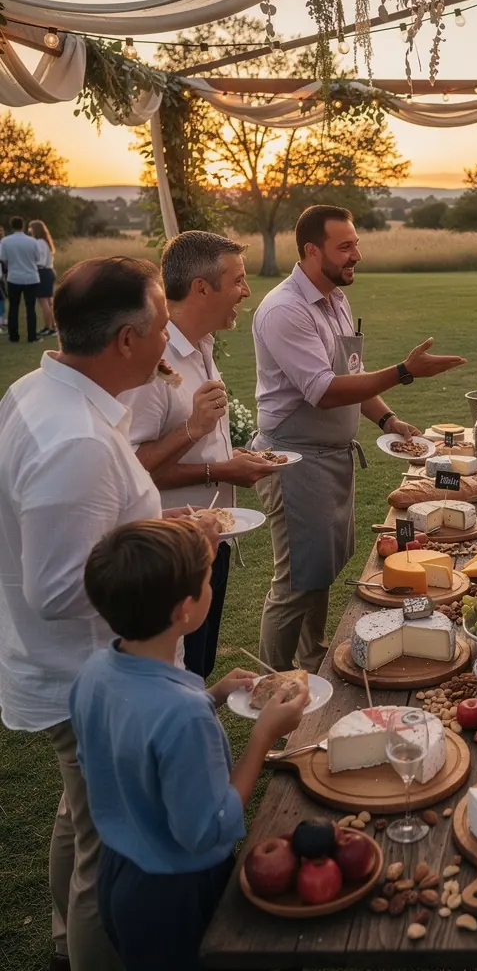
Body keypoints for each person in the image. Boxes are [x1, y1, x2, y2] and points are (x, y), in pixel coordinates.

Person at [0, 256, 219, 971]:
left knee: (80, 816)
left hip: (65, 669)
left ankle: (64, 943)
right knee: (110, 856)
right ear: (126, 340)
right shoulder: (78, 442)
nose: (169, 342)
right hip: (88, 675)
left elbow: (91, 534)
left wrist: (160, 522)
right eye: (161, 326)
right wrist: (181, 545)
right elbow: (61, 587)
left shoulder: (38, 392)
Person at [71, 518, 308, 971]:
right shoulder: (183, 715)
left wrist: (209, 694)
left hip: (119, 873)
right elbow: (208, 828)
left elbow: (123, 746)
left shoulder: (94, 675)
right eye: (207, 579)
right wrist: (262, 735)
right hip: (176, 893)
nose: (211, 586)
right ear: (185, 609)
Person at [252, 205, 466, 673]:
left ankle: (310, 659)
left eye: (356, 244)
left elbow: (351, 376)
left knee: (321, 572)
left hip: (331, 458)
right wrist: (405, 371)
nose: (357, 255)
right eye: (344, 246)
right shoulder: (285, 309)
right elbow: (324, 390)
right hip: (294, 460)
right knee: (294, 584)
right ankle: (272, 685)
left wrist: (389, 420)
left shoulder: (335, 299)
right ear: (311, 251)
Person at [120, 231, 279, 678]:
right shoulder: (155, 362)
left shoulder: (203, 345)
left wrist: (230, 453)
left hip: (211, 538)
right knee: (176, 676)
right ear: (201, 288)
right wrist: (215, 460)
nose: (247, 292)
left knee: (199, 666)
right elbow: (130, 468)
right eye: (239, 281)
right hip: (168, 554)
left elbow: (199, 436)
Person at [0, 216, 42, 342]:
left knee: (13, 307)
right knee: (30, 308)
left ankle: (13, 336)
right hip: (31, 277)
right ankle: (32, 336)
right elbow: (38, 259)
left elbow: (3, 258)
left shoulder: (6, 241)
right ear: (23, 226)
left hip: (14, 277)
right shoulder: (33, 241)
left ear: (12, 226)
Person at [29, 219, 58, 337]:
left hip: (43, 273)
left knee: (43, 301)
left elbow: (39, 261)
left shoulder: (40, 242)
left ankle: (48, 327)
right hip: (49, 272)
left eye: (31, 228)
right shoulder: (45, 242)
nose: (30, 231)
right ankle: (52, 326)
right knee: (49, 302)